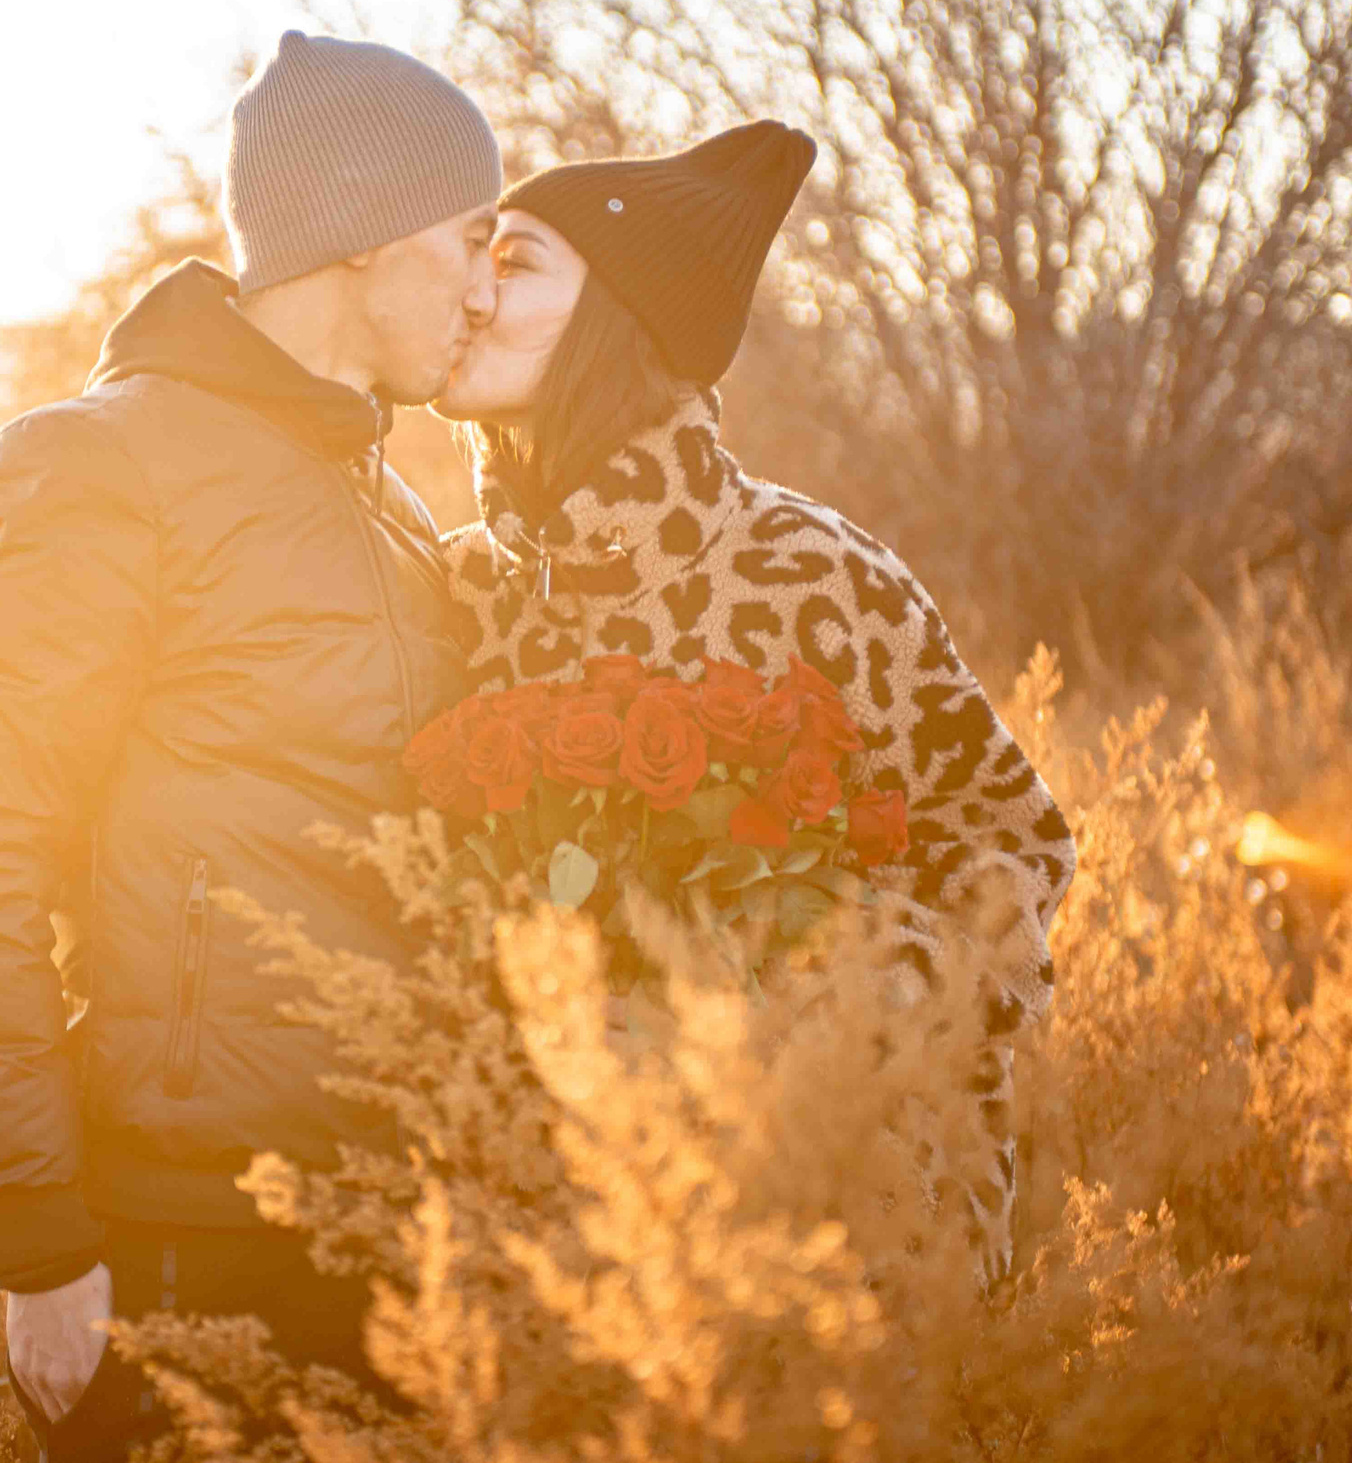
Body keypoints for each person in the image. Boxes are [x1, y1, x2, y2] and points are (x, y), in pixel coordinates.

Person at [0, 32, 496, 1459]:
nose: (482, 282)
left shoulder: (384, 495)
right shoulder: (101, 466)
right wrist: (35, 1234)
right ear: (363, 234)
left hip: (389, 1228)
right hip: (181, 1231)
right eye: (469, 236)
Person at [431, 120, 1078, 1280]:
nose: (469, 293)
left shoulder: (814, 574)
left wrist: (835, 1010)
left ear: (623, 317)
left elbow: (1012, 845)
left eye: (515, 260)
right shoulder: (454, 588)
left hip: (840, 1226)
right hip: (535, 1233)